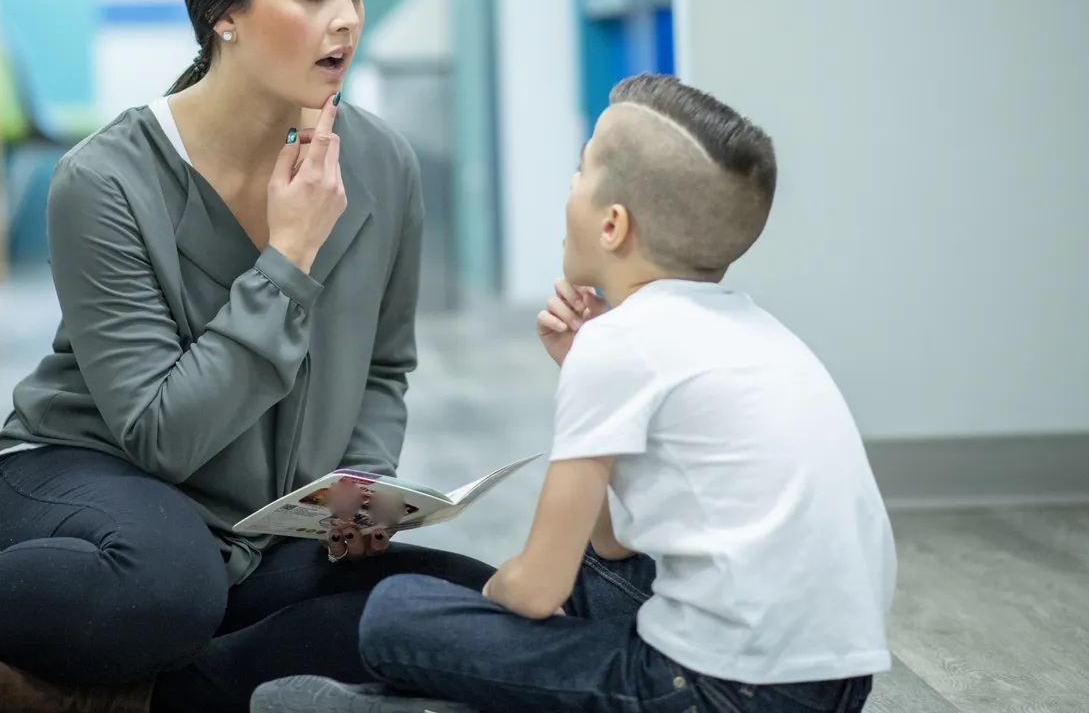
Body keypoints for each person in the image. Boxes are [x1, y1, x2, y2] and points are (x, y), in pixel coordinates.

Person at [0, 0, 493, 713]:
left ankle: (94, 695)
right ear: (225, 13)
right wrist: (288, 254)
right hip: (91, 482)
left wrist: (361, 493)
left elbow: (384, 369)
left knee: (460, 600)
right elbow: (162, 437)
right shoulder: (103, 181)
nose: (348, 20)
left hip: (256, 531)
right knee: (167, 589)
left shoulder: (383, 165)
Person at [252, 74, 896, 713]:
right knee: (586, 575)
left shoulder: (624, 347)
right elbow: (615, 550)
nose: (569, 183)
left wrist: (484, 636)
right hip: (833, 686)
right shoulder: (752, 329)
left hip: (721, 690)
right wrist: (580, 367)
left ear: (613, 225)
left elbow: (536, 590)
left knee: (395, 614)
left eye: (582, 169)